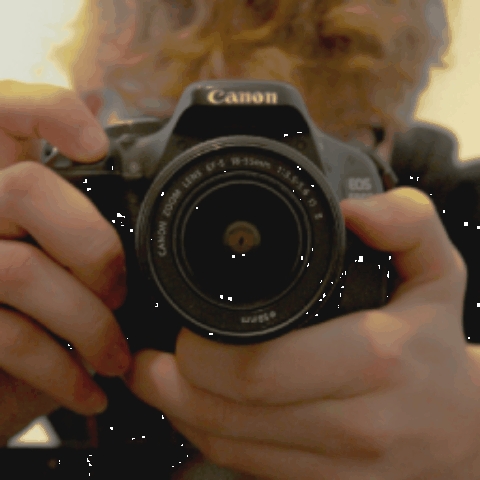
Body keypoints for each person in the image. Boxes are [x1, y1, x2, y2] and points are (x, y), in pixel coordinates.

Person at [1, 0, 480, 478]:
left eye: (307, 150)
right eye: (186, 148)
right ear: (90, 118)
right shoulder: (59, 223)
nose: (249, 196)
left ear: (389, 137)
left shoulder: (450, 213)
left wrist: (470, 437)